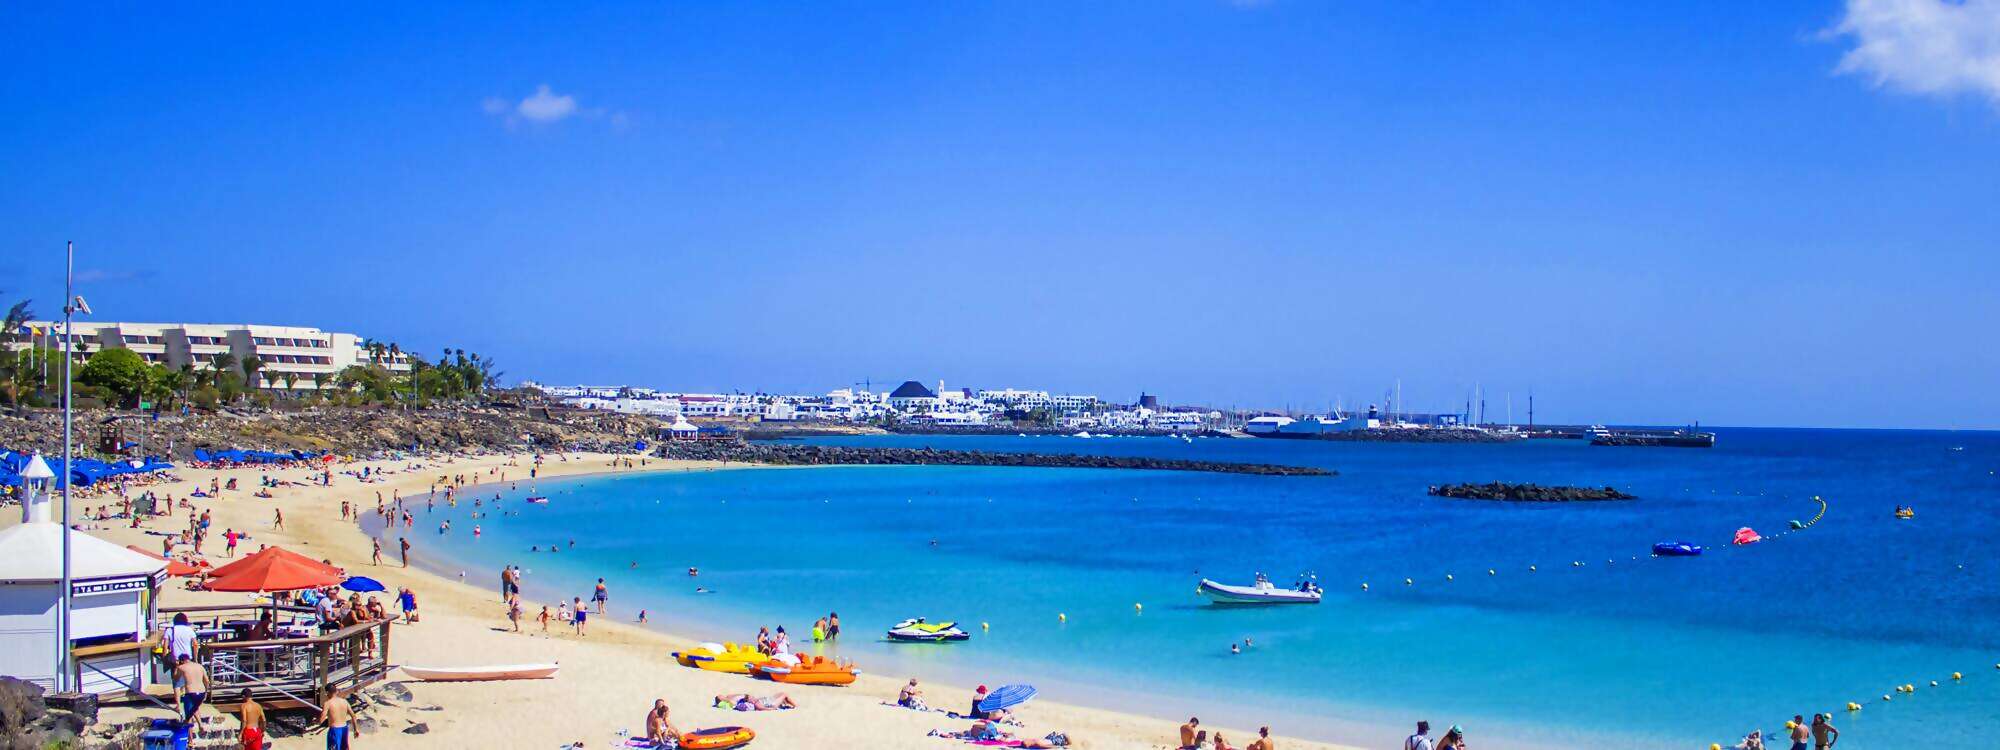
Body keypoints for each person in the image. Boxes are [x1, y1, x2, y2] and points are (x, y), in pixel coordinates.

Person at [172, 655, 208, 720]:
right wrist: (206, 693)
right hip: (202, 693)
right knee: (195, 709)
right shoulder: (200, 666)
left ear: (182, 661)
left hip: (191, 693)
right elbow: (207, 681)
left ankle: (190, 727)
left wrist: (176, 667)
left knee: (189, 714)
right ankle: (200, 725)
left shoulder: (181, 667)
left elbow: (176, 679)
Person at [718, 693, 797, 711]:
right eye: (751, 698)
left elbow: (729, 696)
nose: (753, 697)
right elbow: (762, 708)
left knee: (782, 694)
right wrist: (774, 708)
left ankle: (792, 705)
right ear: (749, 701)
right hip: (771, 704)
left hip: (768, 699)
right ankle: (796, 707)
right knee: (784, 694)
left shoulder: (754, 701)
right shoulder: (756, 704)